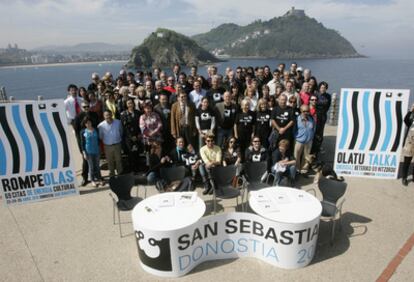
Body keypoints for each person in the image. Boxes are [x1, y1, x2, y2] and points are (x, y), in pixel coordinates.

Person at [73, 101, 99, 186]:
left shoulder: (94, 114)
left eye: (87, 106)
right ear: (81, 107)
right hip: (84, 142)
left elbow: (97, 127)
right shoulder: (78, 117)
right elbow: (77, 132)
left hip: (94, 141)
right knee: (85, 161)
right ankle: (85, 177)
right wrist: (81, 147)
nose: (86, 108)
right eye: (84, 107)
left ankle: (96, 177)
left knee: (95, 161)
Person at [98, 110, 123, 176]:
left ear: (111, 114)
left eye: (109, 114)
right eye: (106, 115)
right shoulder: (101, 126)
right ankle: (112, 174)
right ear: (104, 116)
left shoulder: (118, 122)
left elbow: (121, 132)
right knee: (110, 161)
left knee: (119, 160)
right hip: (107, 146)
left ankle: (120, 173)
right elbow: (100, 136)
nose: (108, 116)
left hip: (117, 144)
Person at [120, 98, 142, 173]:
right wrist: (131, 137)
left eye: (131, 103)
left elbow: (140, 125)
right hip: (129, 138)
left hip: (138, 136)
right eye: (128, 103)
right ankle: (132, 170)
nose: (130, 105)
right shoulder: (123, 114)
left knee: (137, 153)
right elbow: (125, 127)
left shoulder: (138, 113)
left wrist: (139, 134)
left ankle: (138, 169)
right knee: (131, 154)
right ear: (126, 104)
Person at [80, 117, 102, 187]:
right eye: (86, 123)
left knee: (97, 166)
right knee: (91, 166)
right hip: (88, 151)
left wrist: (99, 149)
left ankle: (99, 178)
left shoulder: (96, 129)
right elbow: (82, 143)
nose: (88, 124)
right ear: (85, 124)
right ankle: (92, 180)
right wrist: (84, 153)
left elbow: (98, 140)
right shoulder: (83, 132)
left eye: (89, 122)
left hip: (96, 150)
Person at [294, 105, 315, 174]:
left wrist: (311, 137)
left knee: (306, 157)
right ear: (301, 111)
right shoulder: (297, 119)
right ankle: (297, 170)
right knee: (296, 156)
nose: (306, 113)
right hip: (299, 141)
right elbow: (293, 130)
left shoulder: (312, 119)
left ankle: (304, 170)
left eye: (307, 111)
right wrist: (296, 137)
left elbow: (314, 128)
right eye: (304, 111)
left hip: (309, 141)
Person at [401, 106, 414, 185]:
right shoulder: (412, 116)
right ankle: (404, 178)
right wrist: (411, 110)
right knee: (407, 160)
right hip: (409, 142)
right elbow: (406, 120)